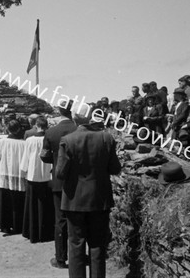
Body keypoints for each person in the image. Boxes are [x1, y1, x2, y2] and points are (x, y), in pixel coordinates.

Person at [56, 103, 121, 278]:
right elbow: (115, 168)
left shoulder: (68, 140)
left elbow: (60, 173)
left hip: (74, 199)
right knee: (98, 244)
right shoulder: (106, 138)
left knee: (76, 244)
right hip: (99, 198)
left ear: (75, 117)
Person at [40, 100, 78, 269]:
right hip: (78, 181)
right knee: (78, 218)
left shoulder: (51, 132)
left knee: (60, 219)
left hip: (58, 180)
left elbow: (44, 156)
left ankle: (60, 258)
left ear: (59, 111)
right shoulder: (78, 129)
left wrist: (56, 160)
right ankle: (78, 256)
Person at [20, 116, 54, 243]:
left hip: (33, 175)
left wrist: (23, 172)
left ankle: (32, 233)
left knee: (32, 205)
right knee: (46, 206)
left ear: (36, 126)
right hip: (47, 176)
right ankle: (46, 233)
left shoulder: (30, 140)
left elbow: (26, 158)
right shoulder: (49, 138)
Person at [0, 120, 27, 235]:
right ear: (19, 129)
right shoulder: (24, 143)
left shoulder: (2, 142)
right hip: (18, 175)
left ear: (7, 129)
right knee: (17, 201)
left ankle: (5, 225)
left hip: (5, 173)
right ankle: (18, 225)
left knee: (5, 201)